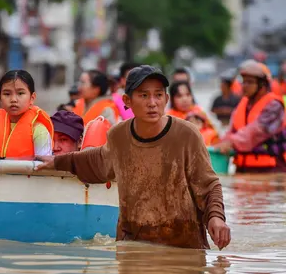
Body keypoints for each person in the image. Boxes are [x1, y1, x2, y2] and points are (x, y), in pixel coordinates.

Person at [35, 65, 231, 250]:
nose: (152, 103)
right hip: (134, 246)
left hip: (183, 246)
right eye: (144, 95)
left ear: (166, 99)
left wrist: (216, 218)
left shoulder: (187, 134)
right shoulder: (119, 136)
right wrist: (58, 161)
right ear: (127, 101)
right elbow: (98, 161)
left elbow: (209, 185)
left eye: (158, 95)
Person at [214, 60, 286, 173]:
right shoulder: (242, 105)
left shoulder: (274, 106)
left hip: (272, 170)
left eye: (250, 82)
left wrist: (231, 142)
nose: (244, 86)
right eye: (243, 82)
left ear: (262, 85)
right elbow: (231, 131)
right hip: (244, 169)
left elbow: (256, 131)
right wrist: (219, 144)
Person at [0, 70, 54, 159]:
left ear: (32, 98)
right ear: (0, 98)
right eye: (7, 94)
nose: (13, 99)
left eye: (20, 93)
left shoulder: (39, 131)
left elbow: (43, 166)